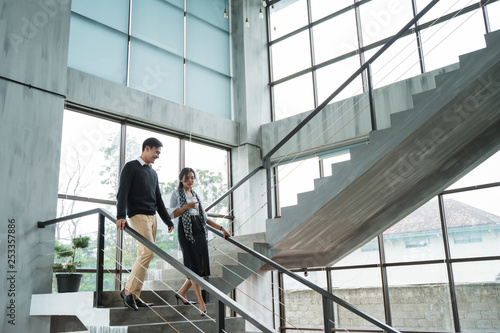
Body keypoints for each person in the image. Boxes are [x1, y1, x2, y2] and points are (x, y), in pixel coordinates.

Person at [116, 137, 174, 311]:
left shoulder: (153, 173)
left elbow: (158, 199)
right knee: (148, 252)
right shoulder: (131, 167)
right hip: (138, 216)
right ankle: (128, 291)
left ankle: (134, 294)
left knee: (144, 255)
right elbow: (123, 192)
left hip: (153, 217)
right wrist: (120, 215)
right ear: (146, 148)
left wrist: (167, 220)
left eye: (159, 153)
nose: (157, 156)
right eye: (156, 152)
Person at [169, 167, 230, 315]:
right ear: (181, 179)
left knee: (201, 267)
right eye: (187, 178)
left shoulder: (195, 194)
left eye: (192, 178)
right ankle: (201, 304)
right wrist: (187, 207)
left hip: (200, 230)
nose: (190, 180)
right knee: (194, 268)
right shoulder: (176, 194)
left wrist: (221, 228)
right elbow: (172, 214)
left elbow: (205, 217)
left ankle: (182, 292)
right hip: (186, 230)